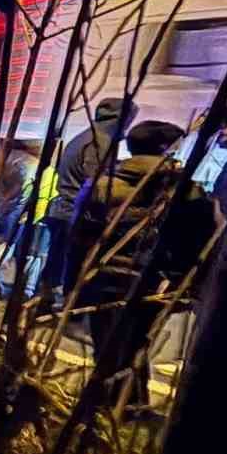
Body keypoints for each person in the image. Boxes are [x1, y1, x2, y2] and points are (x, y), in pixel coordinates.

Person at [68, 120, 217, 412]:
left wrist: (74, 283)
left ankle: (107, 404)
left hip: (103, 276)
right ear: (166, 148)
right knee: (136, 342)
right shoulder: (184, 190)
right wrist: (182, 281)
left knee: (105, 341)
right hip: (152, 280)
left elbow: (78, 237)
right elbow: (198, 241)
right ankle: (124, 405)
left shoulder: (102, 184)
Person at [43, 97, 131, 301]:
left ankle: (46, 303)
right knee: (67, 274)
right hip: (75, 214)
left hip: (66, 210)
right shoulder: (99, 142)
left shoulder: (86, 136)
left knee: (56, 269)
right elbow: (96, 184)